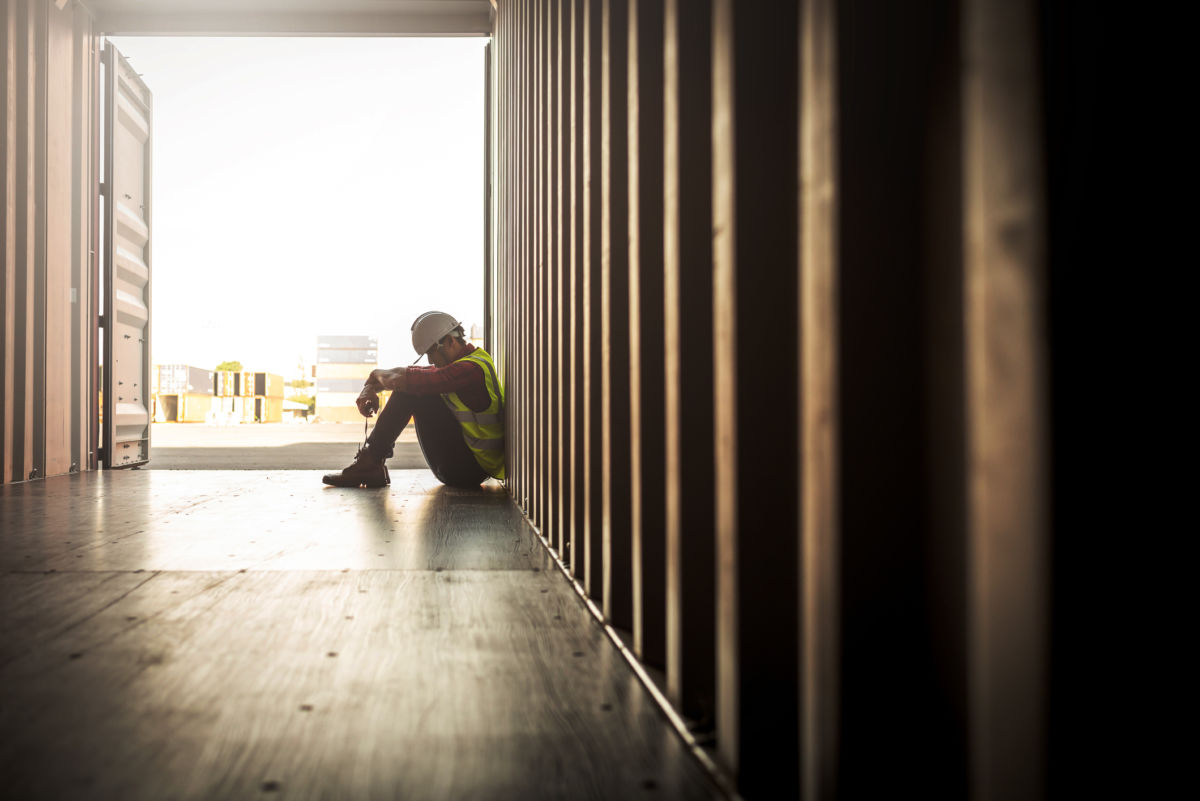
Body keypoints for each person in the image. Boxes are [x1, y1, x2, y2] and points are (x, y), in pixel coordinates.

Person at [322, 311, 505, 489]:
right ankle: (371, 463)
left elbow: (410, 379)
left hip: (468, 470)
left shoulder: (471, 369)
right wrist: (371, 385)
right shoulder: (468, 363)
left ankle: (369, 464)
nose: (431, 360)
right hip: (470, 464)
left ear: (450, 341)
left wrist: (375, 376)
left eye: (432, 352)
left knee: (410, 390)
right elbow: (415, 375)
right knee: (413, 385)